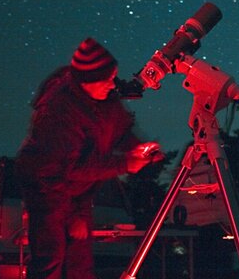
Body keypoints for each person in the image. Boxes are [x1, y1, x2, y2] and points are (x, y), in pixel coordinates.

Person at [15, 37, 163, 279]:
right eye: (106, 78)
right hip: (46, 190)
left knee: (80, 263)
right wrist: (125, 164)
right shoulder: (59, 112)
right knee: (49, 260)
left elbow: (120, 130)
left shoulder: (103, 99)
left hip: (77, 190)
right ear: (87, 81)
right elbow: (68, 169)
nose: (112, 83)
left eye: (113, 76)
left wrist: (142, 148)